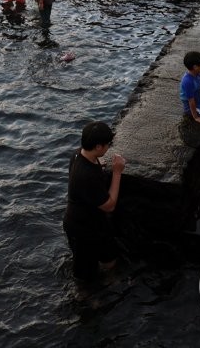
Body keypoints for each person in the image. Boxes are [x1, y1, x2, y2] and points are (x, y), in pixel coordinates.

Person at [62, 120, 125, 281]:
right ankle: (86, 299)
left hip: (94, 221)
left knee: (109, 258)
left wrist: (99, 165)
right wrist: (117, 172)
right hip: (81, 228)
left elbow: (93, 168)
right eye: (107, 144)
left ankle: (108, 284)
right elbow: (110, 206)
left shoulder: (78, 155)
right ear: (98, 147)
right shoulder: (87, 176)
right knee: (85, 273)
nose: (108, 147)